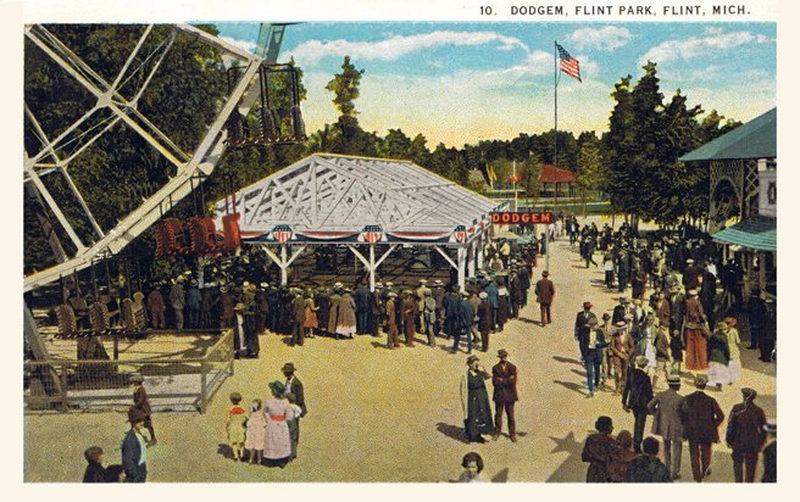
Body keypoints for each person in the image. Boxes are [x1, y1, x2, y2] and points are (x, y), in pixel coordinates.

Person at [680, 375, 725, 482]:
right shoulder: (711, 400)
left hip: (692, 431)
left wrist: (687, 425)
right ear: (705, 386)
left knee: (694, 454)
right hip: (706, 431)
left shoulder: (687, 399)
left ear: (695, 384)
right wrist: (712, 425)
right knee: (706, 452)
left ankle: (697, 477)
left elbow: (682, 415)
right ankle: (705, 470)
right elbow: (721, 416)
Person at [647, 373, 685, 480]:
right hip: (677, 427)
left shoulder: (660, 395)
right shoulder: (681, 399)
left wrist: (657, 414)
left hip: (663, 425)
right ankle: (675, 472)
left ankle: (667, 469)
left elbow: (649, 406)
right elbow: (685, 413)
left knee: (666, 448)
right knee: (677, 449)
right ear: (676, 385)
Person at [726, 388, 767, 483]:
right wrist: (760, 443)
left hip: (738, 442)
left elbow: (731, 426)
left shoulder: (736, 408)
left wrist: (729, 440)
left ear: (743, 396)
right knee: (751, 470)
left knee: (737, 467)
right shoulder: (758, 411)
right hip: (752, 444)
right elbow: (764, 430)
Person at [622, 355, 653, 453]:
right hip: (642, 404)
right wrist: (651, 406)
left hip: (633, 403)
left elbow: (626, 389)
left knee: (637, 422)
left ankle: (636, 442)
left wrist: (624, 402)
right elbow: (649, 393)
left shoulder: (631, 374)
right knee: (640, 425)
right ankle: (637, 445)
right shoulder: (646, 377)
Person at [460, 355, 494, 443]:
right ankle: (473, 435)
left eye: (477, 363)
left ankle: (482, 433)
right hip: (472, 398)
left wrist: (484, 370)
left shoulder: (480, 372)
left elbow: (488, 377)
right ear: (469, 365)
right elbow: (463, 390)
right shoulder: (465, 375)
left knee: (483, 414)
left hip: (482, 396)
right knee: (473, 416)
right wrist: (464, 403)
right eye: (474, 363)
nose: (476, 365)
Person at [263, 381, 294, 467]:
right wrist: (284, 420)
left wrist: (269, 420)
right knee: (281, 441)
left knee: (273, 441)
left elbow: (265, 411)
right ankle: (281, 459)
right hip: (282, 424)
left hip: (272, 423)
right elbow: (289, 415)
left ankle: (273, 459)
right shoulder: (285, 402)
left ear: (274, 391)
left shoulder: (269, 402)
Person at [491, 349, 518, 442]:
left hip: (510, 395)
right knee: (498, 414)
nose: (504, 358)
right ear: (500, 358)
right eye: (502, 357)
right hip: (499, 395)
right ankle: (497, 432)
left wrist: (502, 380)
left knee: (510, 415)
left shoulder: (512, 367)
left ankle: (512, 434)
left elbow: (513, 381)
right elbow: (494, 382)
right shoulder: (495, 368)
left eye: (505, 356)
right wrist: (507, 380)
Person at [282, 362, 306, 457]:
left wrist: (291, 400)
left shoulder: (297, 383)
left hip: (294, 408)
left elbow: (300, 399)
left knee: (294, 429)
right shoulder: (288, 381)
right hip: (288, 407)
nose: (284, 373)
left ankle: (293, 451)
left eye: (285, 372)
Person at [581, 416, 616, 483]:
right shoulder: (612, 442)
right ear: (608, 427)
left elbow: (584, 457)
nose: (613, 428)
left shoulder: (590, 439)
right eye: (611, 425)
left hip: (593, 471)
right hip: (606, 471)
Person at [578, 317, 606, 397]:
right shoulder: (585, 332)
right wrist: (583, 355)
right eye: (592, 326)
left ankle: (596, 385)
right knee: (589, 372)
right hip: (589, 354)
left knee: (597, 371)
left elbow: (604, 343)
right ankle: (590, 390)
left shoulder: (599, 332)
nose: (594, 327)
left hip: (597, 354)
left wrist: (599, 343)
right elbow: (582, 344)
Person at [121, 408, 149, 482]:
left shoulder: (139, 434)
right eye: (139, 421)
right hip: (136, 473)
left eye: (143, 420)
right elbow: (127, 461)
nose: (142, 423)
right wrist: (135, 475)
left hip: (141, 468)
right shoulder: (130, 439)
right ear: (133, 422)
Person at [130, 373, 156, 446]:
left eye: (134, 382)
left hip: (144, 410)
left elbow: (140, 401)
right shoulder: (137, 389)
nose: (133, 383)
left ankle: (153, 439)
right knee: (134, 422)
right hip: (139, 409)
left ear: (137, 382)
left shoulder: (141, 390)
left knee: (148, 424)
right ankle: (134, 438)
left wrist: (134, 407)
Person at [707, 321, 731, 389]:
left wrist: (708, 355)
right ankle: (719, 384)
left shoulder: (713, 336)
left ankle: (715, 383)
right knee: (720, 370)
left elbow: (709, 346)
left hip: (713, 354)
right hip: (721, 355)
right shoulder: (724, 337)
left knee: (714, 369)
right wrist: (728, 356)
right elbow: (726, 348)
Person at [225, 392, 247, 461]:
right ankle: (242, 455)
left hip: (233, 427)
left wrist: (227, 426)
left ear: (231, 400)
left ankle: (236, 455)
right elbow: (245, 418)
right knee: (241, 442)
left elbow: (228, 420)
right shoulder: (242, 409)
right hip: (241, 427)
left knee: (234, 442)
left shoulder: (230, 409)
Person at [244, 398, 266, 465]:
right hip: (259, 431)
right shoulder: (261, 414)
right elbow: (264, 423)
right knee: (259, 446)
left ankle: (251, 459)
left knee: (252, 446)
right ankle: (259, 459)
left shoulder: (251, 414)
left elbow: (249, 422)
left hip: (252, 432)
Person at [723, 317, 743, 384]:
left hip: (725, 348)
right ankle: (732, 377)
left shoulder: (722, 331)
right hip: (733, 348)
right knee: (733, 363)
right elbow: (738, 341)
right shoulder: (734, 331)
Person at [286, 392, 303, 461]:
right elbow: (299, 413)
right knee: (293, 438)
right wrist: (296, 417)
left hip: (287, 423)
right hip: (293, 423)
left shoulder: (287, 406)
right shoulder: (296, 407)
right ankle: (293, 452)